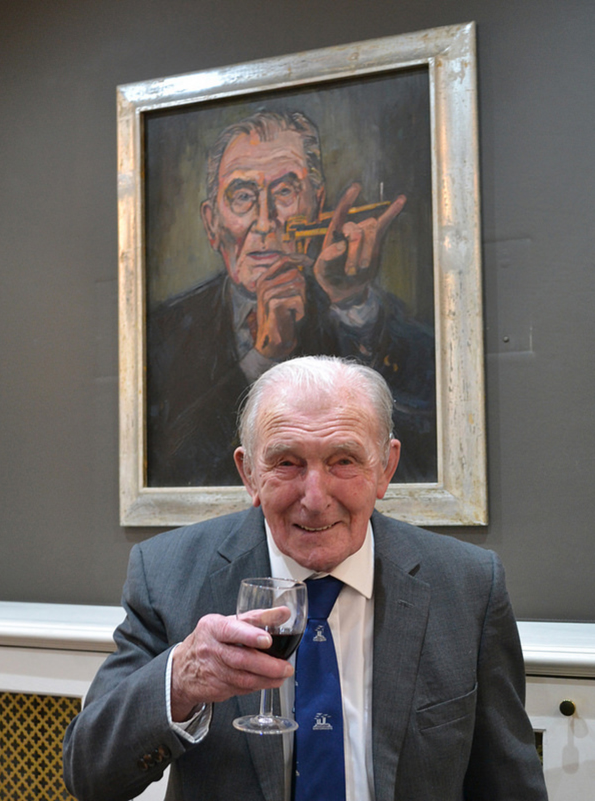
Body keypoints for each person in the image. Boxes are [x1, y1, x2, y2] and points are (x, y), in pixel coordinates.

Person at [64, 356, 547, 801]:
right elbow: (89, 774)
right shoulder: (166, 573)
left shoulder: (468, 585)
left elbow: (510, 784)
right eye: (287, 463)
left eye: (344, 461)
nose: (315, 499)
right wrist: (182, 679)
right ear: (249, 474)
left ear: (385, 468)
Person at [147, 110, 436, 487]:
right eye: (243, 196)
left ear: (317, 203)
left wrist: (349, 303)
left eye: (285, 192)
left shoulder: (361, 309)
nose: (265, 221)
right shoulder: (163, 331)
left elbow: (420, 441)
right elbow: (175, 465)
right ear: (212, 223)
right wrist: (262, 358)